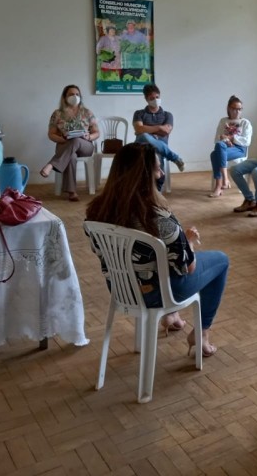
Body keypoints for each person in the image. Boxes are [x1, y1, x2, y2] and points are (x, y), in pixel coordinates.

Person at [86, 143, 228, 357]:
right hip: (157, 294)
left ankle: (172, 317)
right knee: (221, 260)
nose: (161, 173)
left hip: (122, 289)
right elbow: (187, 267)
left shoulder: (96, 211)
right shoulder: (160, 218)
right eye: (157, 169)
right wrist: (187, 241)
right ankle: (202, 333)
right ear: (144, 175)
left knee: (158, 263)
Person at [40, 84, 99, 201]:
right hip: (65, 145)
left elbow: (97, 132)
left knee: (76, 140)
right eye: (71, 94)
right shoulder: (57, 114)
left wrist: (88, 136)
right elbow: (51, 134)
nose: (75, 96)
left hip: (85, 146)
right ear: (64, 97)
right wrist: (62, 139)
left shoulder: (87, 112)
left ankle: (51, 164)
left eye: (77, 94)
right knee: (71, 156)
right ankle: (72, 192)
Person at [133, 83, 185, 192]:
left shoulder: (167, 115)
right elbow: (139, 130)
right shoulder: (139, 113)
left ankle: (157, 193)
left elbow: (166, 131)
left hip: (159, 148)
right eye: (152, 98)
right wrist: (158, 128)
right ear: (146, 99)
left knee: (156, 154)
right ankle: (174, 157)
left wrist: (148, 129)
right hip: (141, 147)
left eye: (157, 97)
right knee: (144, 136)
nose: (155, 100)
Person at [209, 95, 252, 197]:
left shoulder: (245, 123)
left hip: (239, 149)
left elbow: (247, 141)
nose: (237, 112)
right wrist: (225, 140)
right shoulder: (223, 121)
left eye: (239, 109)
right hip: (224, 148)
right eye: (234, 109)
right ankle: (225, 179)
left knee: (214, 155)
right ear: (229, 108)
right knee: (219, 146)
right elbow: (217, 139)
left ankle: (219, 185)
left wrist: (231, 138)